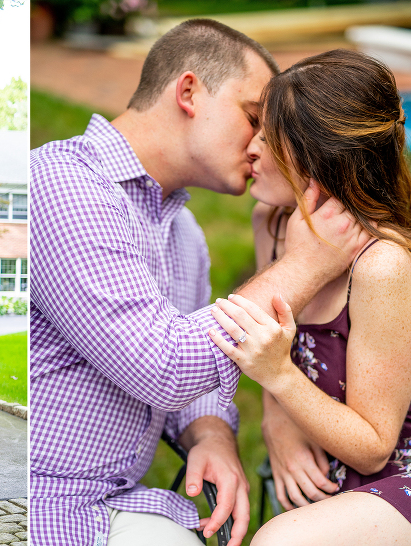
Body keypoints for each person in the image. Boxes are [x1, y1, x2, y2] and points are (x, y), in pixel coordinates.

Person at [30, 20, 372, 546]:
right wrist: (307, 264)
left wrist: (208, 431)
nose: (265, 143)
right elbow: (163, 366)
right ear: (189, 92)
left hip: (114, 502)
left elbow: (195, 378)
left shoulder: (183, 231)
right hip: (40, 501)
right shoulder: (63, 186)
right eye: (255, 117)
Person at [209, 49, 411, 545]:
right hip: (326, 464)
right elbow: (258, 339)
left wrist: (278, 377)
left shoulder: (381, 265)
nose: (250, 148)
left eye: (267, 135)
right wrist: (277, 424)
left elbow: (373, 448)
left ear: (314, 153)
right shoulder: (272, 225)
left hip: (393, 472)